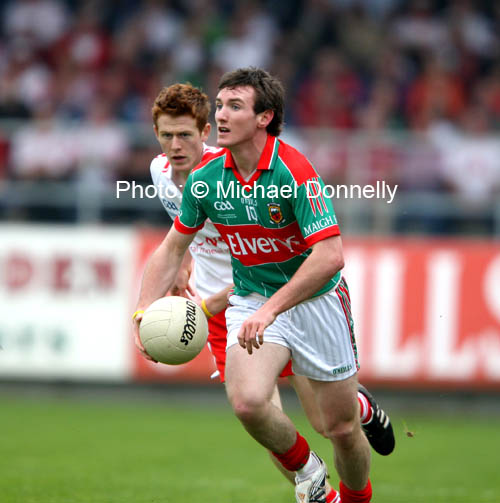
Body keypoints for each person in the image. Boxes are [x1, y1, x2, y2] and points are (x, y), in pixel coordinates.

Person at [133, 75, 393, 503]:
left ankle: (356, 433)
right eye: (219, 105)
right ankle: (311, 476)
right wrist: (144, 309)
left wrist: (226, 304)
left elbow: (329, 256)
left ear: (263, 118)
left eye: (233, 106)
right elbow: (173, 245)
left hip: (306, 299)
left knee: (335, 426)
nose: (221, 115)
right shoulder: (191, 176)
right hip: (247, 302)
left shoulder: (294, 171)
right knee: (252, 405)